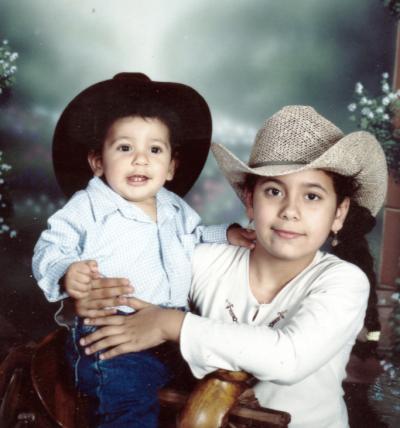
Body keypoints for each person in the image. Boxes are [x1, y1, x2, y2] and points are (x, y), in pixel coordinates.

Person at [76, 105, 388, 428]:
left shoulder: (344, 281)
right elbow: (137, 281)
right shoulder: (206, 261)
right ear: (250, 201)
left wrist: (170, 323)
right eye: (273, 191)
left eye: (312, 197)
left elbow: (289, 357)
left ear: (339, 213)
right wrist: (96, 294)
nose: (290, 211)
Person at [32, 73, 254, 428]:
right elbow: (51, 246)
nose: (140, 160)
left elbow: (193, 236)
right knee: (130, 403)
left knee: (212, 383)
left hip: (167, 329)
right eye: (124, 148)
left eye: (154, 149)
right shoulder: (88, 206)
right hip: (110, 336)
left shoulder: (173, 207)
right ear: (98, 162)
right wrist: (66, 270)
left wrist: (225, 233)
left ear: (171, 167)